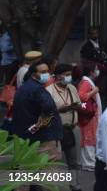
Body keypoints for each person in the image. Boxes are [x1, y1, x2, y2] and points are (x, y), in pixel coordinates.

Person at [12, 60, 63, 162]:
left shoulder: (23, 88)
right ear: (33, 74)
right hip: (44, 139)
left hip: (27, 137)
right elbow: (49, 108)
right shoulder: (38, 90)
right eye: (43, 72)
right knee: (47, 171)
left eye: (48, 71)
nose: (47, 74)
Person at [47, 63, 82, 191]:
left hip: (73, 128)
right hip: (57, 130)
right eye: (66, 75)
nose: (69, 77)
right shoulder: (49, 91)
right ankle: (57, 187)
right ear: (57, 76)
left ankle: (75, 185)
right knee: (56, 161)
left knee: (74, 160)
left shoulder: (72, 88)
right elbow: (46, 112)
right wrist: (60, 109)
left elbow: (79, 104)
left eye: (70, 74)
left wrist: (77, 106)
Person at [78, 61, 101, 171]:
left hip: (92, 115)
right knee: (88, 138)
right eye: (96, 69)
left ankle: (90, 161)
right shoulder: (86, 83)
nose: (98, 71)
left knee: (90, 138)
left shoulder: (87, 82)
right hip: (89, 116)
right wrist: (94, 91)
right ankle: (89, 163)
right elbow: (81, 97)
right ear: (92, 72)